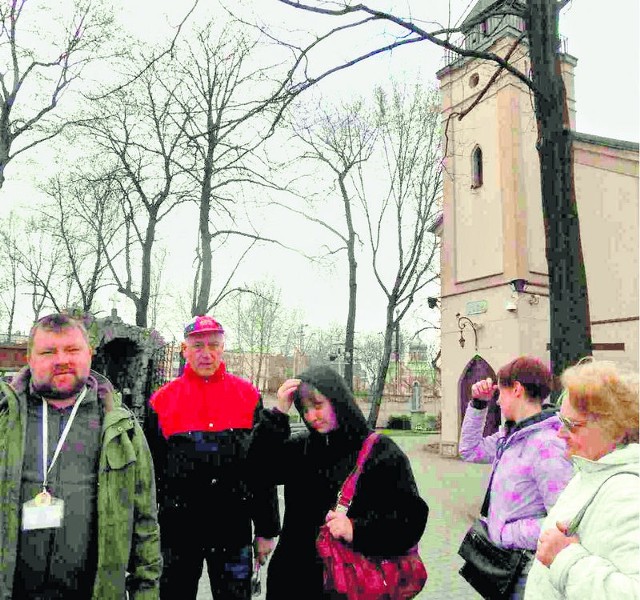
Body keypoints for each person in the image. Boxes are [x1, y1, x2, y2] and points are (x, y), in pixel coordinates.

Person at [0, 312, 161, 599]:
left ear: (90, 354)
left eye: (72, 350)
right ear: (30, 359)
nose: (62, 360)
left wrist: (146, 592)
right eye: (48, 351)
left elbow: (144, 523)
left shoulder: (122, 429)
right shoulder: (3, 421)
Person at [248, 365, 429, 600]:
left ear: (338, 400)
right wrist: (277, 415)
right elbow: (256, 471)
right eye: (304, 409)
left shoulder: (380, 453)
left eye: (318, 405)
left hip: (349, 584)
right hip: (293, 580)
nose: (312, 416)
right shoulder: (302, 448)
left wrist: (357, 529)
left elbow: (410, 521)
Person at [146, 315, 280, 600]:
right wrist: (145, 532)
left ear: (222, 348)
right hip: (177, 531)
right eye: (197, 346)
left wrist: (266, 530)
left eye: (213, 345)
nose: (206, 354)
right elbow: (149, 475)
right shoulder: (161, 401)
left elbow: (262, 468)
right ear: (185, 349)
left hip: (233, 528)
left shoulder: (247, 396)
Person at [459, 356, 574, 598]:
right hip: (507, 562)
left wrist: (505, 533)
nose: (498, 401)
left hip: (527, 570)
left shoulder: (547, 446)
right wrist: (478, 405)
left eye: (500, 392)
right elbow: (470, 450)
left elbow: (564, 521)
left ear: (517, 390)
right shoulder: (511, 436)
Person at [525, 358, 640, 599]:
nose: (560, 433)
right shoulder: (590, 472)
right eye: (560, 420)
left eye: (571, 425)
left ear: (615, 428)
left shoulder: (629, 494)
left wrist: (566, 560)